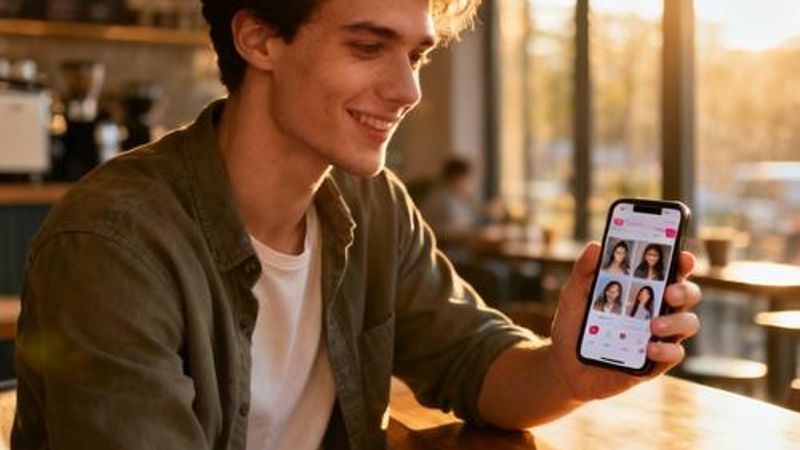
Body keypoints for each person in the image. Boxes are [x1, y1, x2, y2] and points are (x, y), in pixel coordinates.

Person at [12, 1, 702, 449]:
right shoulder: (114, 243)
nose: (408, 90)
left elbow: (472, 362)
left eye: (417, 55)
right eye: (369, 47)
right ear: (258, 38)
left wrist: (566, 370)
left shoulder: (373, 205)